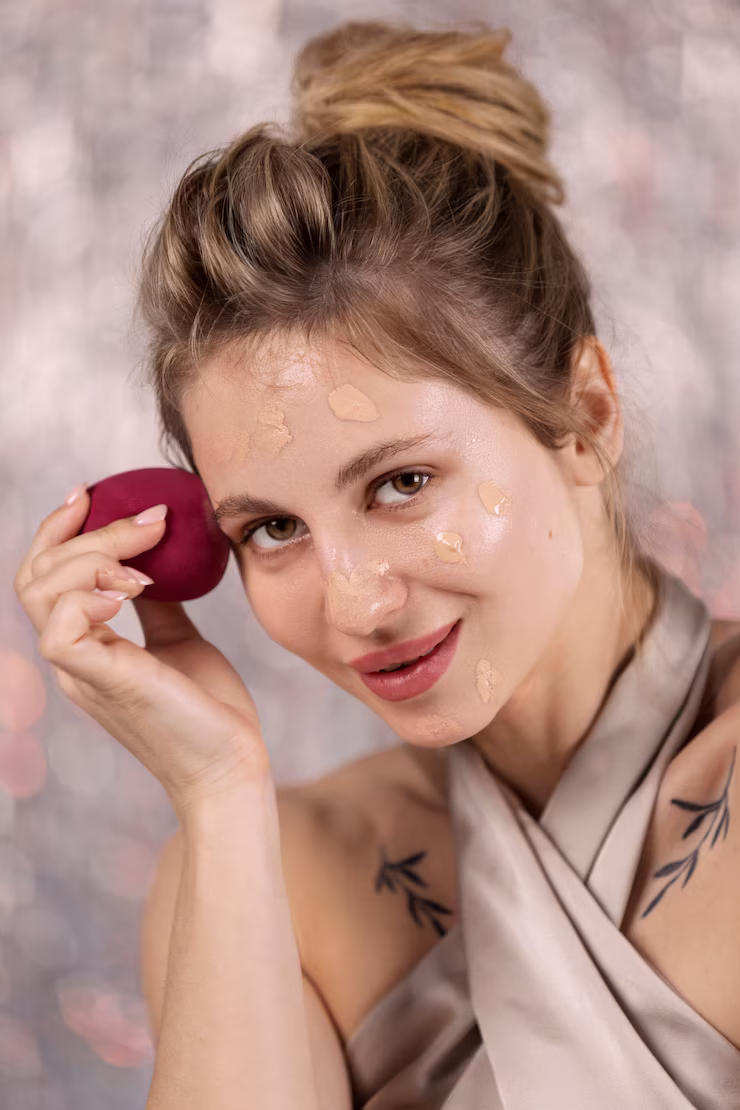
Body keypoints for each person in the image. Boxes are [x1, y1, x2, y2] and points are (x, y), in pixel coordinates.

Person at [14, 18, 740, 1110]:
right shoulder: (271, 873)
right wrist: (216, 793)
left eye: (400, 483)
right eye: (272, 529)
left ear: (584, 414)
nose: (357, 602)